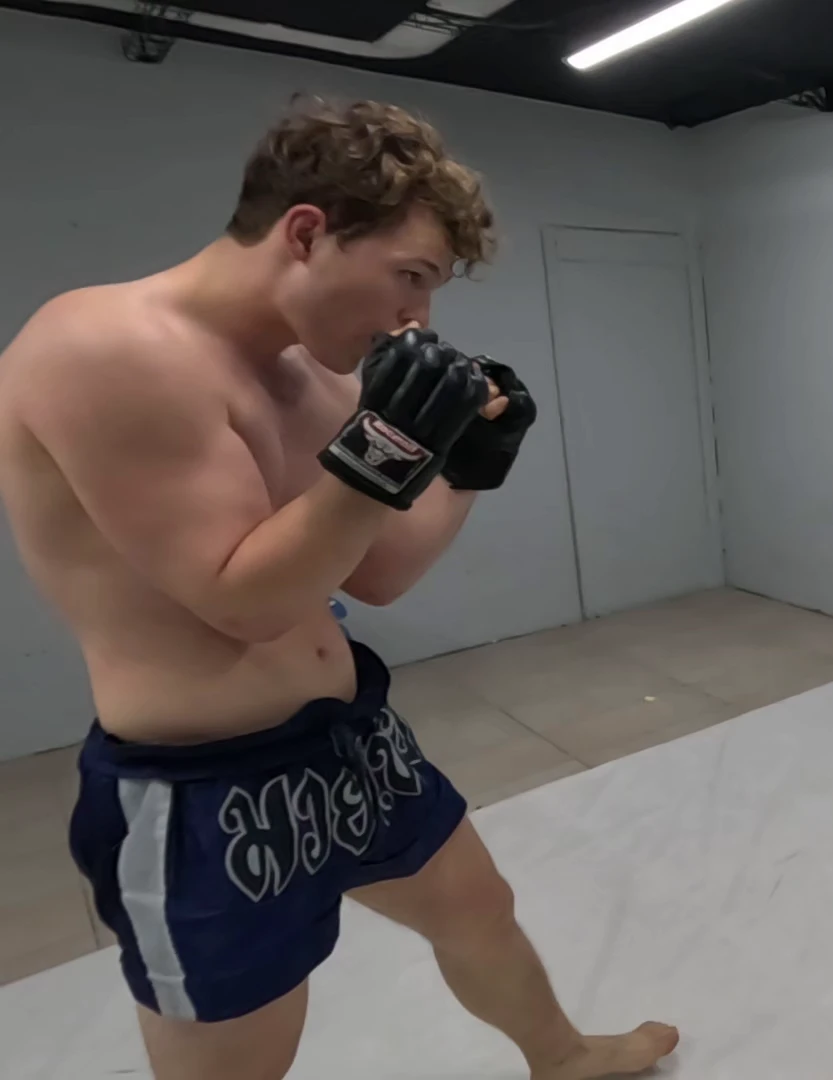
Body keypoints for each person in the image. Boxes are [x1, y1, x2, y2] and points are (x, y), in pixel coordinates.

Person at [0, 97, 678, 1080]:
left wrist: (469, 462)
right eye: (411, 277)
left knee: (478, 908)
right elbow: (244, 603)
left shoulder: (312, 379)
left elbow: (380, 569)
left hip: (349, 739)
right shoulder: (107, 348)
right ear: (307, 232)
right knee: (244, 1054)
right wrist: (386, 450)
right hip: (203, 786)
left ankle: (563, 1058)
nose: (418, 319)